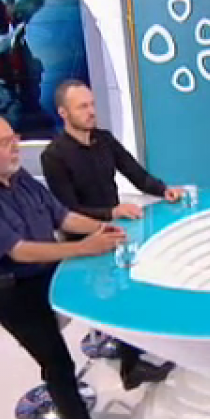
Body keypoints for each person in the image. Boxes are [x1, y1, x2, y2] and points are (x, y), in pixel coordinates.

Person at [0, 113, 125, 419]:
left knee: (117, 286)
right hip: (10, 290)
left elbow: (63, 217)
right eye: (5, 142)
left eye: (14, 137)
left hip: (47, 269)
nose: (16, 146)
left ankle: (133, 366)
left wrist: (106, 228)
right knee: (57, 359)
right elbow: (19, 251)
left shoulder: (21, 178)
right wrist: (82, 248)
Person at [41, 79, 181, 387]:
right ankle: (131, 369)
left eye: (92, 104)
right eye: (83, 107)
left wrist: (164, 190)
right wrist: (111, 213)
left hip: (116, 229)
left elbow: (135, 173)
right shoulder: (54, 156)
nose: (92, 111)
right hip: (85, 238)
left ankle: (131, 341)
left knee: (146, 270)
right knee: (126, 289)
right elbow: (67, 212)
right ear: (64, 113)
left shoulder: (103, 140)